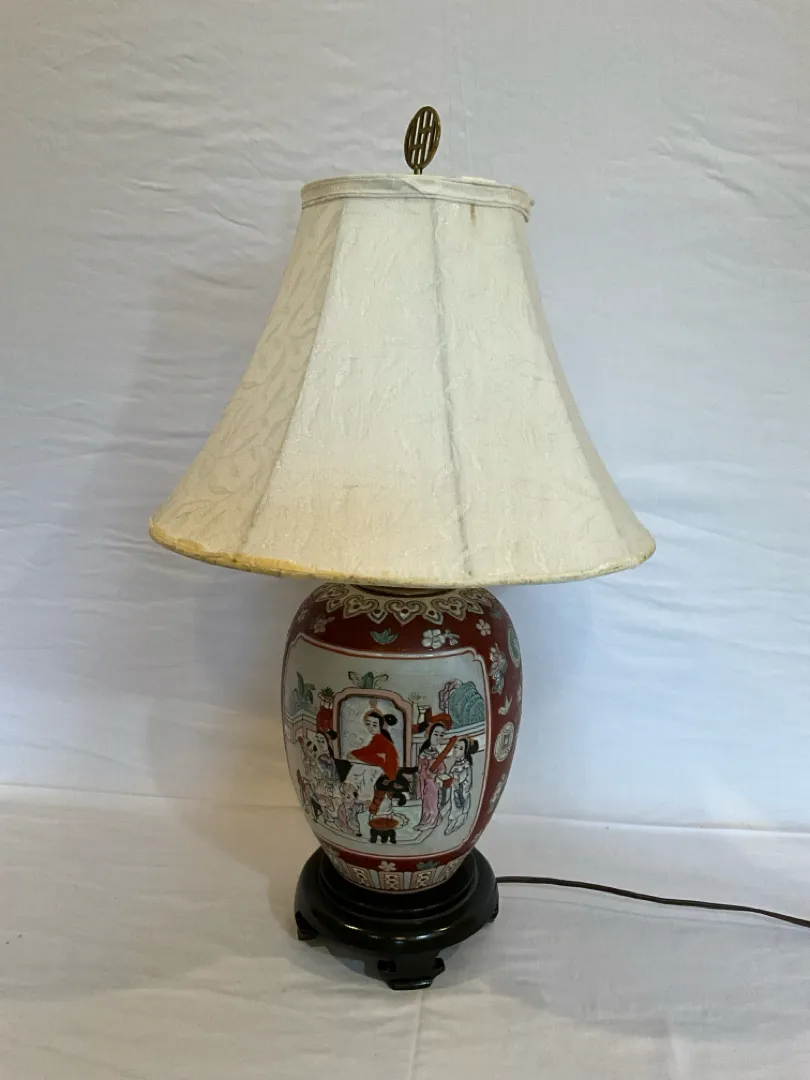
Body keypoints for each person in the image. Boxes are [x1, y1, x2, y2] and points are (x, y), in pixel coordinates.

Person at [348, 710, 409, 813]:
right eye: (368, 724)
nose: (371, 727)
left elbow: (369, 751)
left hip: (388, 773)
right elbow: (373, 756)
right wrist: (357, 756)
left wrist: (354, 753)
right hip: (386, 772)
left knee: (366, 774)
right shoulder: (378, 739)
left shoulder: (380, 739)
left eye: (374, 725)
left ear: (380, 725)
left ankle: (367, 801)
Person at [415, 719, 452, 831]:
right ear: (430, 734)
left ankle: (432, 821)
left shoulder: (436, 753)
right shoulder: (424, 752)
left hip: (434, 782)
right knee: (427, 803)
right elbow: (421, 769)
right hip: (426, 781)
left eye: (441, 735)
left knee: (433, 803)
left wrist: (437, 774)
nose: (438, 737)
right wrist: (426, 774)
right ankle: (425, 821)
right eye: (436, 734)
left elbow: (442, 768)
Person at [445, 737, 475, 835]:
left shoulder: (465, 765)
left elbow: (460, 780)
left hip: (461, 793)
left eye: (460, 748)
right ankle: (451, 826)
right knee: (454, 809)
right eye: (455, 747)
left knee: (458, 810)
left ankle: (452, 827)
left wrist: (454, 779)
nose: (456, 750)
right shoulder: (457, 763)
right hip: (455, 791)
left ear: (465, 752)